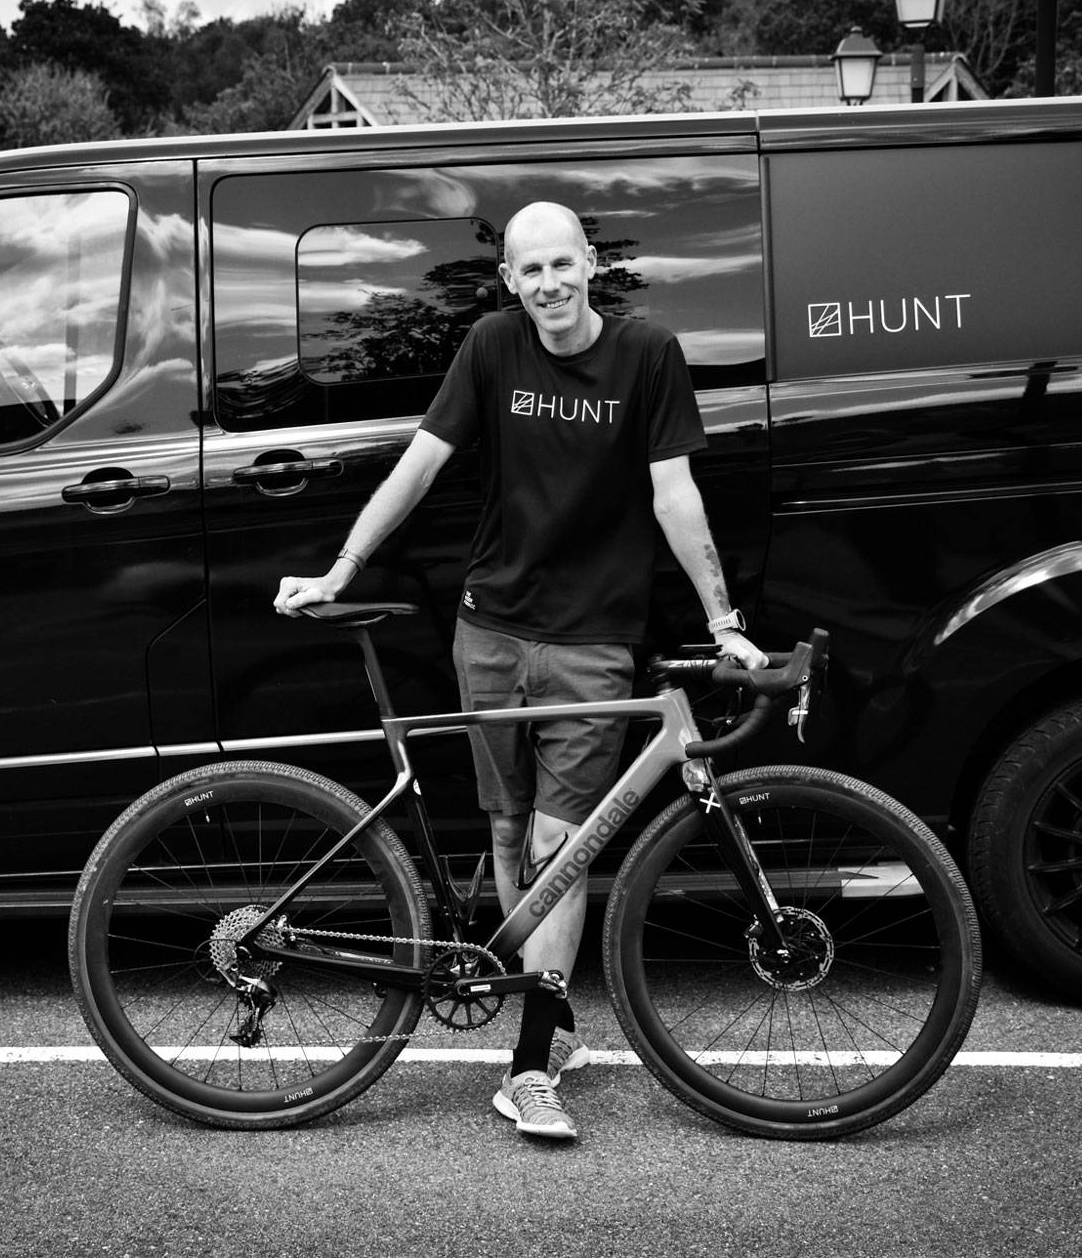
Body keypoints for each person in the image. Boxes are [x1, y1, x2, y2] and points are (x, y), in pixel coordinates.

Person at [274, 200, 765, 1141]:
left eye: (562, 265)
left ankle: (532, 1062)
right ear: (509, 279)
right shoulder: (494, 346)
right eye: (529, 269)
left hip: (592, 643)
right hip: (489, 631)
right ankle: (547, 1011)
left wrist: (723, 619)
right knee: (507, 835)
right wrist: (341, 569)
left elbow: (676, 494)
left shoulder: (645, 354)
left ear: (591, 264)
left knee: (560, 846)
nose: (548, 284)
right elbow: (419, 465)